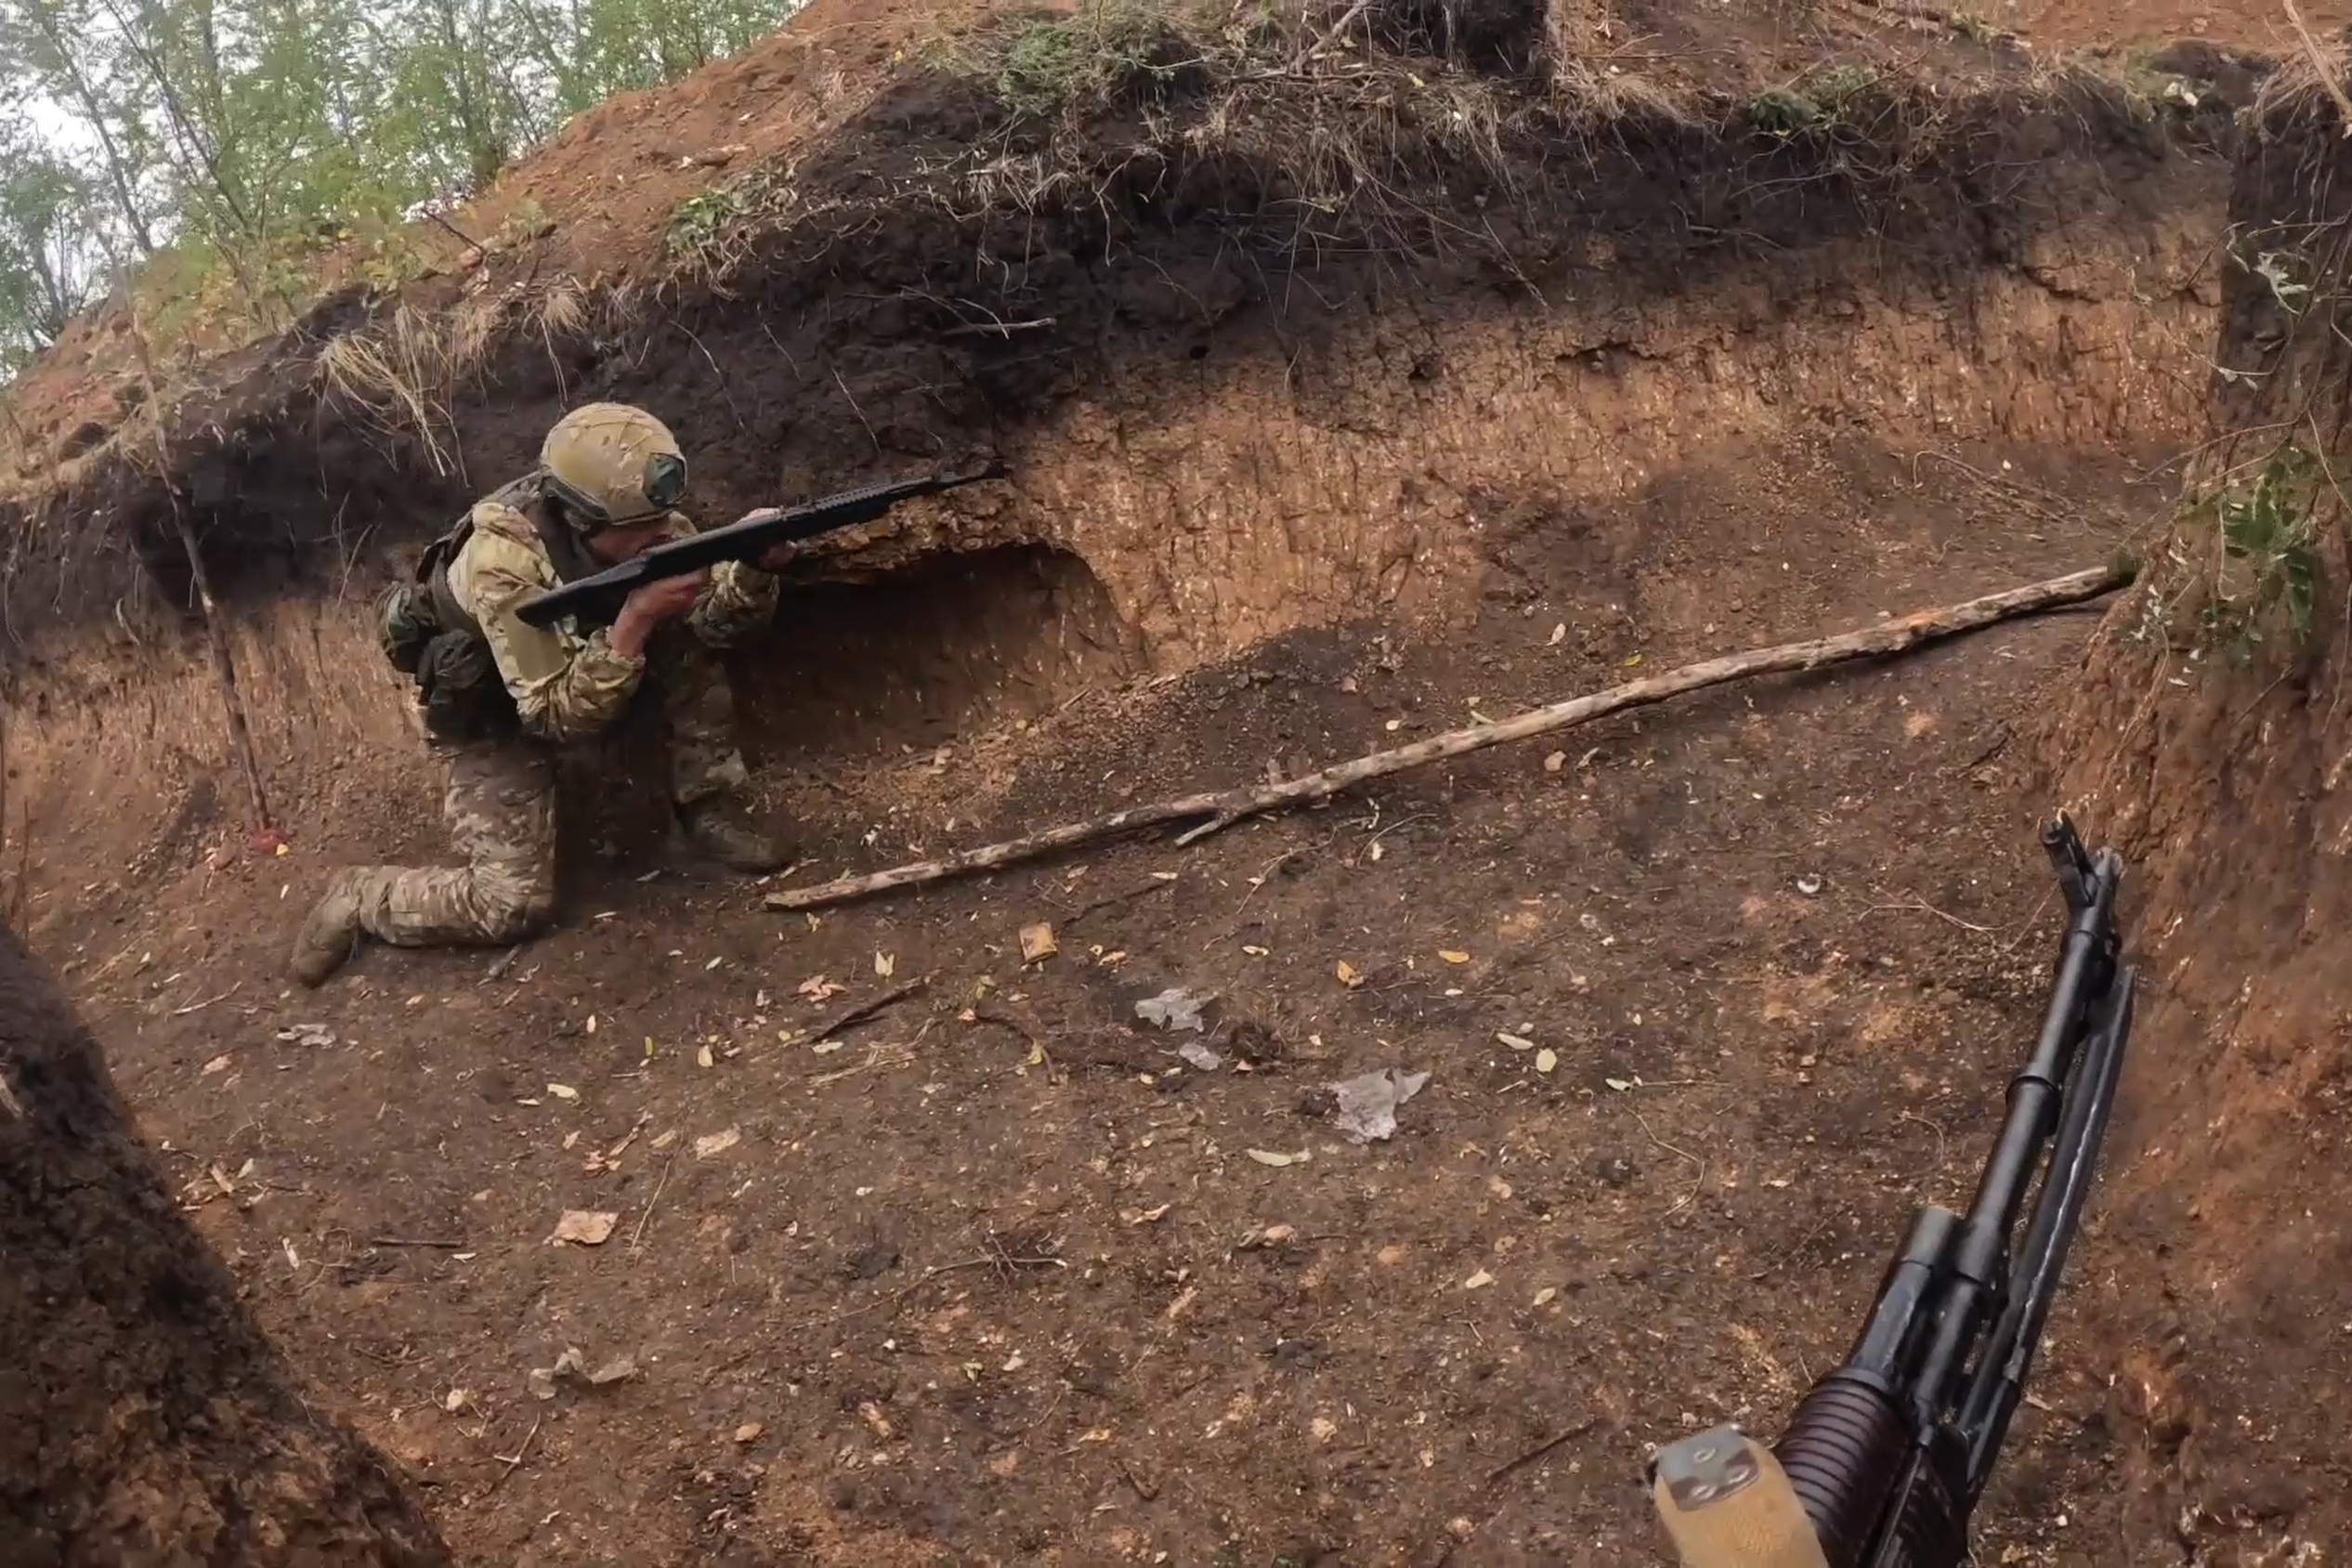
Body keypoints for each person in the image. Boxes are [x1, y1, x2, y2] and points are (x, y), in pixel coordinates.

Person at [290, 402, 796, 987]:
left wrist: (758, 567)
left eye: (666, 518)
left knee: (683, 631)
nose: (666, 533)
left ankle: (705, 802)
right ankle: (363, 897)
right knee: (510, 904)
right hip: (491, 711)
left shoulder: (648, 520)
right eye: (643, 529)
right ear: (586, 522)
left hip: (575, 670)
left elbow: (717, 628)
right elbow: (554, 716)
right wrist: (634, 618)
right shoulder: (501, 561)